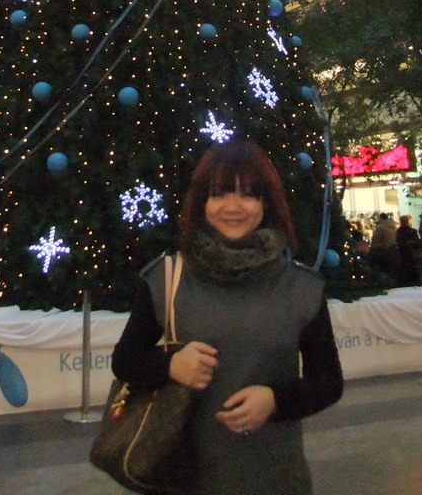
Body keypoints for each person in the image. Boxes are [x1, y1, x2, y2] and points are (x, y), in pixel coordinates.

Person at [111, 140, 343, 495]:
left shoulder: (301, 287)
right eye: (219, 194)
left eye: (248, 195)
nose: (233, 208)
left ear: (265, 204)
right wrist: (169, 366)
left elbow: (327, 381)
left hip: (275, 478)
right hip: (185, 478)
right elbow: (125, 360)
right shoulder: (168, 278)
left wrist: (275, 400)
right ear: (202, 203)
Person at [394, 214, 420, 285]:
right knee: (411, 267)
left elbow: (397, 241)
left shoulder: (399, 232)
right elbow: (417, 242)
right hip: (410, 253)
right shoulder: (412, 231)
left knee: (404, 267)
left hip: (402, 253)